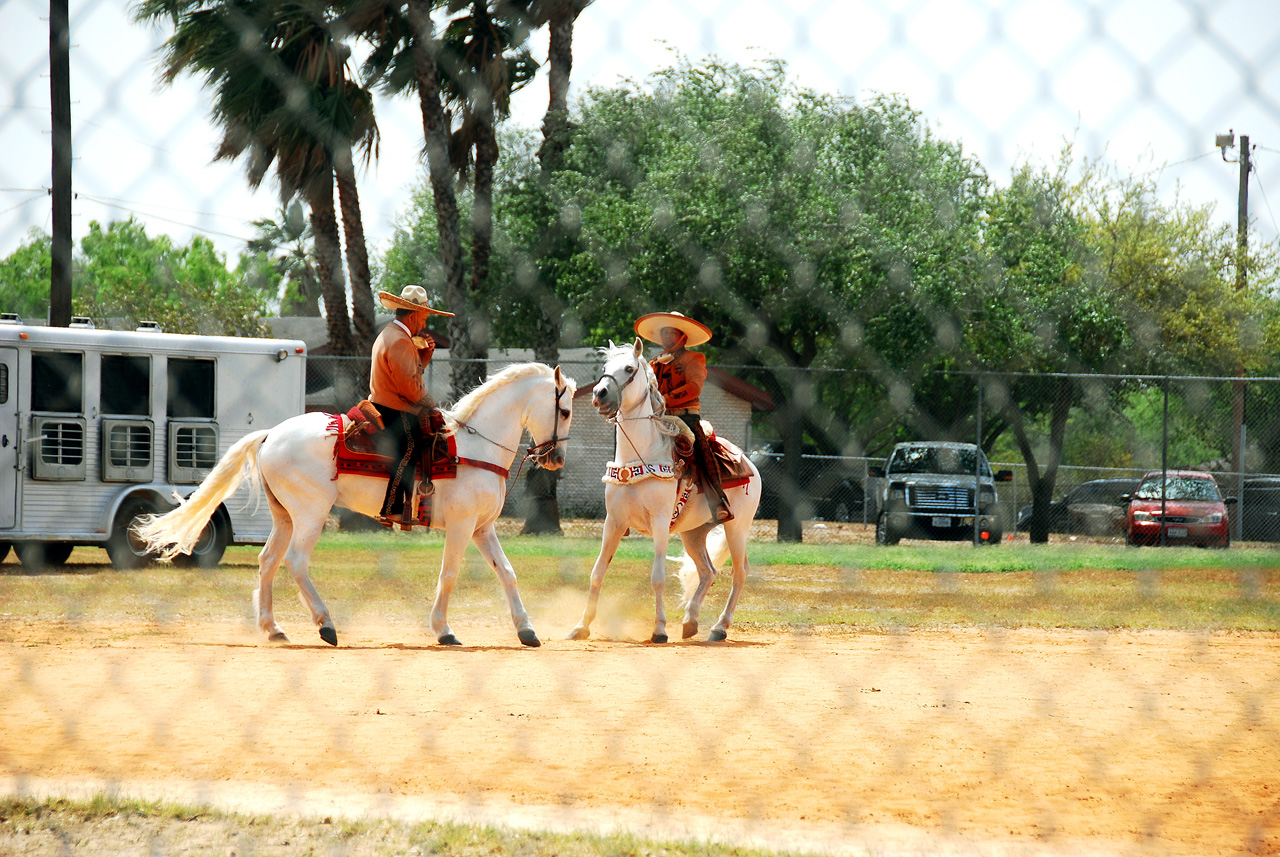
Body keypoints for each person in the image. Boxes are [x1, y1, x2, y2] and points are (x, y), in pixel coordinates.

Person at [635, 311, 733, 524]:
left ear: (683, 337)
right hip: (659, 418)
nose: (667, 337)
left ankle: (718, 502)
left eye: (671, 333)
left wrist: (663, 400)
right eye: (664, 333)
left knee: (701, 447)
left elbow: (694, 388)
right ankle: (626, 506)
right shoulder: (653, 363)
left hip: (685, 418)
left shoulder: (694, 358)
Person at [369, 284, 454, 527]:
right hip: (394, 408)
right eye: (425, 317)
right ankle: (392, 508)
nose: (425, 324)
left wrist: (424, 357)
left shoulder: (393, 335)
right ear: (414, 314)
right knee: (409, 446)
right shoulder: (400, 341)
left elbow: (407, 376)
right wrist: (430, 402)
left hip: (387, 402)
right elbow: (408, 387)